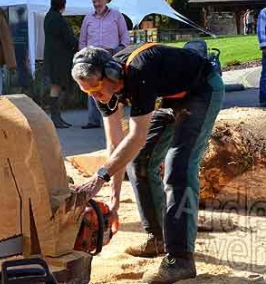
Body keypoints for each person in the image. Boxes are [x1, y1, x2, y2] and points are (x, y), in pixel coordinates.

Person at [71, 43, 224, 283]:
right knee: (140, 162)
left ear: (111, 72)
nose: (96, 97)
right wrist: (115, 201)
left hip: (200, 90)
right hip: (166, 97)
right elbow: (116, 146)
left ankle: (181, 260)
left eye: (97, 91)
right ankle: (157, 238)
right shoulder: (101, 90)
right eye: (88, 93)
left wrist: (99, 178)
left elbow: (136, 136)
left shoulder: (139, 72)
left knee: (179, 167)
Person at [79, 0, 130, 129]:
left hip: (111, 55)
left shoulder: (116, 15)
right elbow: (82, 40)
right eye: (94, 1)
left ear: (106, 0)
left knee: (113, 86)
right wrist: (83, 55)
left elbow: (125, 37)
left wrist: (119, 52)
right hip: (92, 57)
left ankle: (115, 119)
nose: (96, 4)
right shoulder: (88, 18)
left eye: (99, 1)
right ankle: (93, 121)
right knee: (91, 86)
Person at [43, 0, 78, 128]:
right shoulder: (59, 19)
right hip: (59, 60)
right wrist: (78, 45)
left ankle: (57, 118)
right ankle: (56, 119)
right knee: (56, 87)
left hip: (51, 57)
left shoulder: (48, 17)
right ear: (63, 4)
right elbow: (69, 38)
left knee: (55, 87)